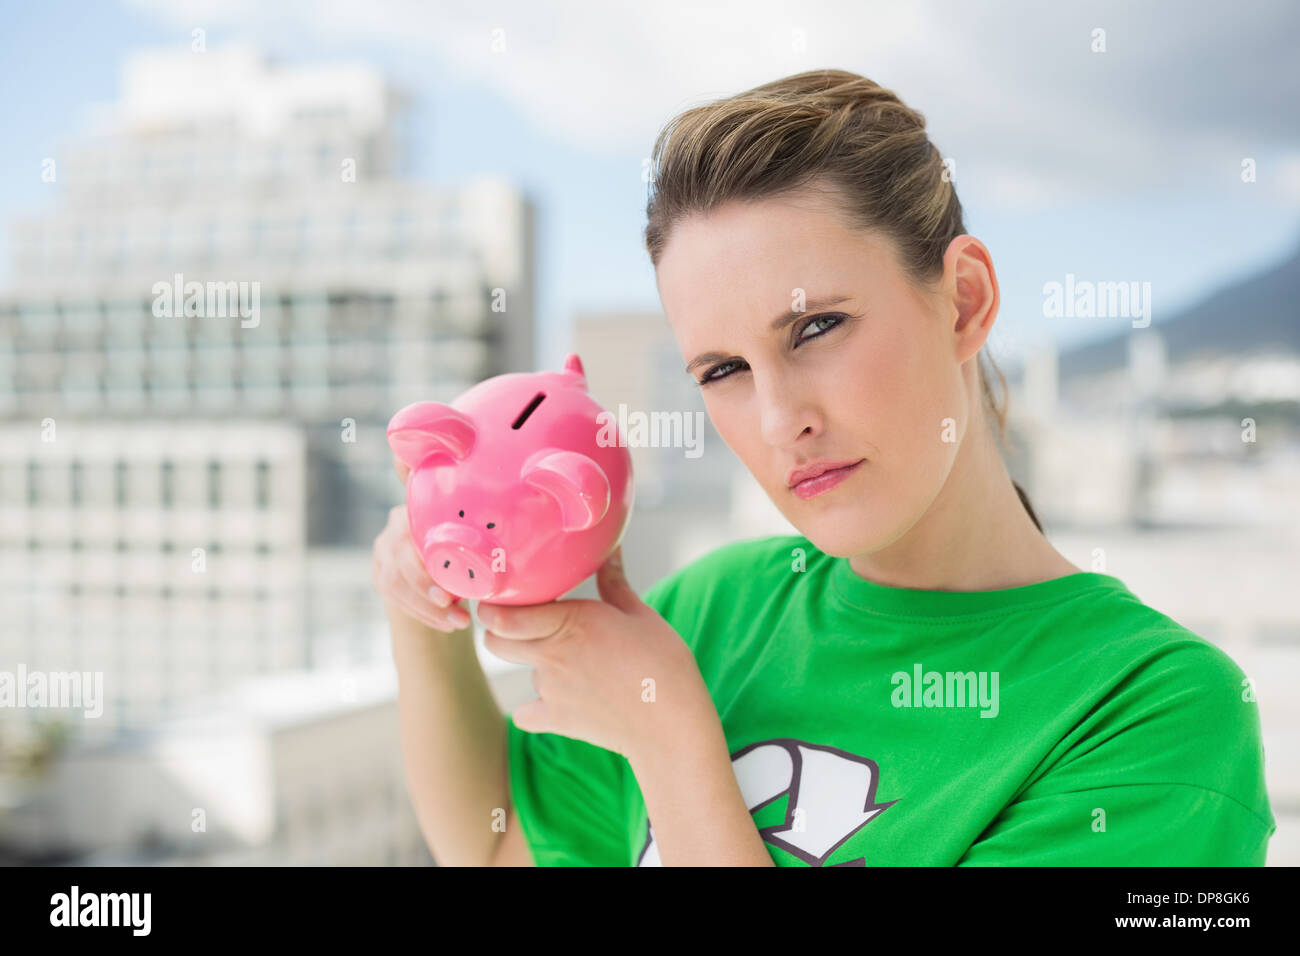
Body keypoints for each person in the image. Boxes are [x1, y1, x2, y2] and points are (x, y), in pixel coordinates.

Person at [371, 69, 1275, 866]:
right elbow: (495, 850)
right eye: (722, 371)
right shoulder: (709, 611)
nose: (779, 420)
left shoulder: (1154, 716)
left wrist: (675, 746)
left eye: (815, 328)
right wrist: (424, 616)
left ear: (964, 301)